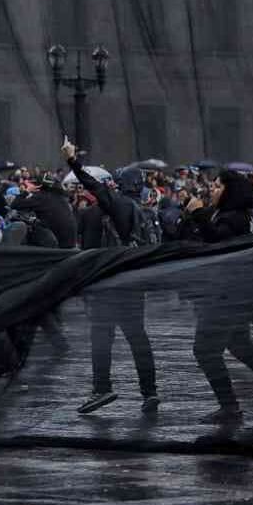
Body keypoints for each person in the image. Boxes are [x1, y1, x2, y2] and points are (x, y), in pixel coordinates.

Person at [184, 170, 253, 423]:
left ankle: (230, 406)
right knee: (241, 346)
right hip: (231, 293)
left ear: (229, 190)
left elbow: (219, 242)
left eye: (216, 186)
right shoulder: (233, 215)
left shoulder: (234, 218)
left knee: (204, 350)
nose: (211, 190)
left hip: (225, 296)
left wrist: (198, 214)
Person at [62, 138, 159, 413]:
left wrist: (72, 160)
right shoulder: (144, 211)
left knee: (101, 337)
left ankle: (101, 388)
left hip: (110, 284)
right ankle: (150, 391)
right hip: (133, 284)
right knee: (138, 337)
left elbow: (94, 186)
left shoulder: (120, 205)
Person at [9, 170, 78, 249]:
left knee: (30, 229)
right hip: (69, 243)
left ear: (39, 186)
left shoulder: (41, 197)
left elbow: (15, 204)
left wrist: (27, 191)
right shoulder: (61, 198)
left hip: (59, 245)